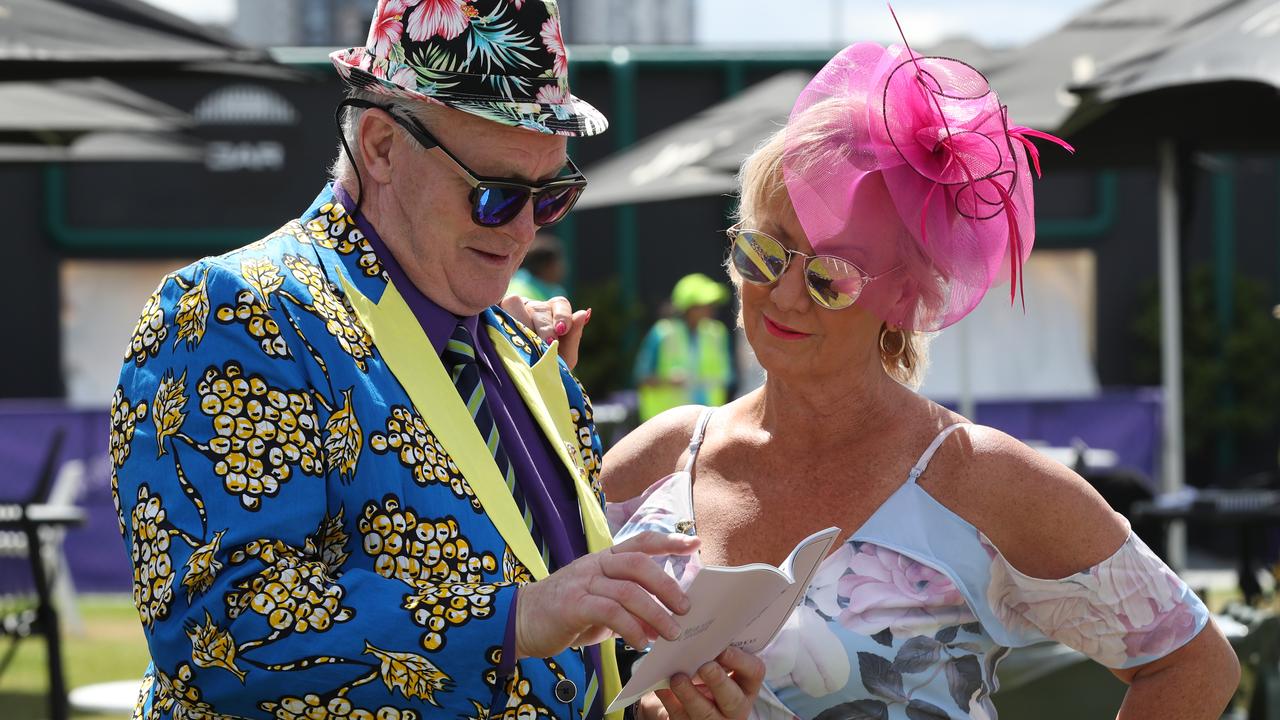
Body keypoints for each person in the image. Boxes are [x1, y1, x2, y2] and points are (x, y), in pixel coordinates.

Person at [110, 2, 762, 718]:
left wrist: (645, 698)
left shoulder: (517, 349)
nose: (522, 233)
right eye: (495, 195)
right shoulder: (240, 309)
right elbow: (219, 633)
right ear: (383, 146)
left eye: (551, 198)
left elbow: (559, 649)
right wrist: (513, 619)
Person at [602, 37, 1240, 720]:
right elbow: (527, 655)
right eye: (765, 251)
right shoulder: (661, 460)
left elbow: (1194, 663)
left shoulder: (976, 477)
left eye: (831, 274)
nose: (785, 295)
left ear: (905, 295)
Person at [634, 273, 735, 422]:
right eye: (704, 305)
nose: (710, 309)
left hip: (709, 420)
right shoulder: (662, 333)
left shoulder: (717, 333)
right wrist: (668, 381)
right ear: (688, 307)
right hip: (666, 422)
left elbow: (727, 377)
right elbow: (642, 377)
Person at [507, 233, 570, 302]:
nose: (563, 267)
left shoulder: (516, 282)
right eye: (559, 262)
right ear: (546, 266)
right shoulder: (521, 293)